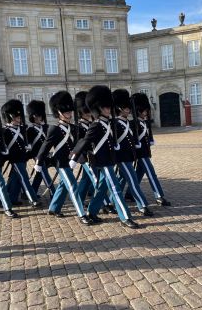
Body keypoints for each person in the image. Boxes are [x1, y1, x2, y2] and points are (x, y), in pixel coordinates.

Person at [70, 85, 140, 229]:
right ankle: (125, 216)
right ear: (99, 108)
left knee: (102, 188)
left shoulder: (109, 123)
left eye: (109, 107)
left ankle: (91, 212)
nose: (109, 109)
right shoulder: (96, 125)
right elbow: (85, 141)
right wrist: (74, 157)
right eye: (106, 107)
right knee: (115, 189)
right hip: (102, 161)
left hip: (109, 160)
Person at [34, 91, 91, 225]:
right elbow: (45, 147)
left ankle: (53, 208)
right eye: (66, 113)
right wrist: (39, 161)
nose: (69, 114)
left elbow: (85, 139)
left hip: (70, 162)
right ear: (59, 112)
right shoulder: (54, 129)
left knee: (63, 186)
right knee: (73, 186)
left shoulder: (74, 128)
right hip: (61, 163)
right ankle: (81, 213)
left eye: (70, 112)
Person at [112, 89, 154, 216]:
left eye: (128, 108)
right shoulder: (115, 123)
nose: (128, 110)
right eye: (126, 108)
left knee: (120, 180)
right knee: (133, 180)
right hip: (121, 157)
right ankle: (142, 205)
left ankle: (109, 201)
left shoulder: (128, 123)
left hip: (129, 156)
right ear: (119, 108)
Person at [129, 93, 171, 206]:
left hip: (145, 152)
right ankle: (159, 196)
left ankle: (129, 192)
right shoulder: (133, 124)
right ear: (138, 111)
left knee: (138, 173)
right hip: (140, 153)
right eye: (144, 110)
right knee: (151, 174)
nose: (146, 112)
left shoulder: (144, 122)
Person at [1, 99, 41, 207]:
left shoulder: (22, 129)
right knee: (24, 178)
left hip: (22, 157)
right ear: (10, 118)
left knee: (15, 179)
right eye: (17, 118)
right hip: (15, 158)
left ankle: (10, 198)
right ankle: (33, 198)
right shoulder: (5, 130)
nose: (19, 119)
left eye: (19, 117)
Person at [27, 100, 55, 197]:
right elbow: (29, 144)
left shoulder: (46, 127)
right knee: (45, 173)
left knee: (39, 174)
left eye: (40, 115)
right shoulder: (30, 129)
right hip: (36, 154)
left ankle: (33, 191)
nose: (38, 118)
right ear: (32, 117)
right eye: (36, 116)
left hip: (46, 154)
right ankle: (53, 193)